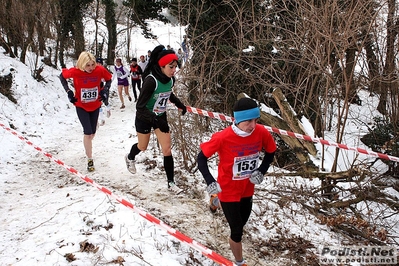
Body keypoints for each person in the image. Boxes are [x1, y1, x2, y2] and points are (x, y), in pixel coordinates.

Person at [197, 97, 277, 266]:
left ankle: (214, 201)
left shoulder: (261, 132)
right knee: (237, 230)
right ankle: (239, 262)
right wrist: (210, 181)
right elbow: (201, 158)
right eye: (248, 121)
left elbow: (271, 152)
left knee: (242, 222)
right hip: (227, 189)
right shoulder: (223, 137)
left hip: (247, 188)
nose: (253, 126)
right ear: (237, 119)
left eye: (256, 120)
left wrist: (261, 171)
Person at [125, 45, 187, 194]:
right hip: (144, 117)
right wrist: (155, 120)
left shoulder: (171, 80)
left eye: (175, 67)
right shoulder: (151, 81)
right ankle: (130, 157)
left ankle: (171, 183)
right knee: (142, 146)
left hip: (160, 117)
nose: (174, 70)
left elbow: (167, 93)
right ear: (162, 66)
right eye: (171, 67)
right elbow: (140, 107)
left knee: (167, 149)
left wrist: (179, 104)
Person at [59, 51, 112, 172]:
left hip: (95, 105)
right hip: (81, 106)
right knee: (88, 133)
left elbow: (109, 79)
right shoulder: (75, 71)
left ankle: (89, 140)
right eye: (88, 65)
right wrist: (69, 91)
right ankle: (90, 159)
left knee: (92, 133)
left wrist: (104, 90)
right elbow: (62, 76)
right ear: (82, 64)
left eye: (92, 64)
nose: (91, 68)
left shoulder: (99, 70)